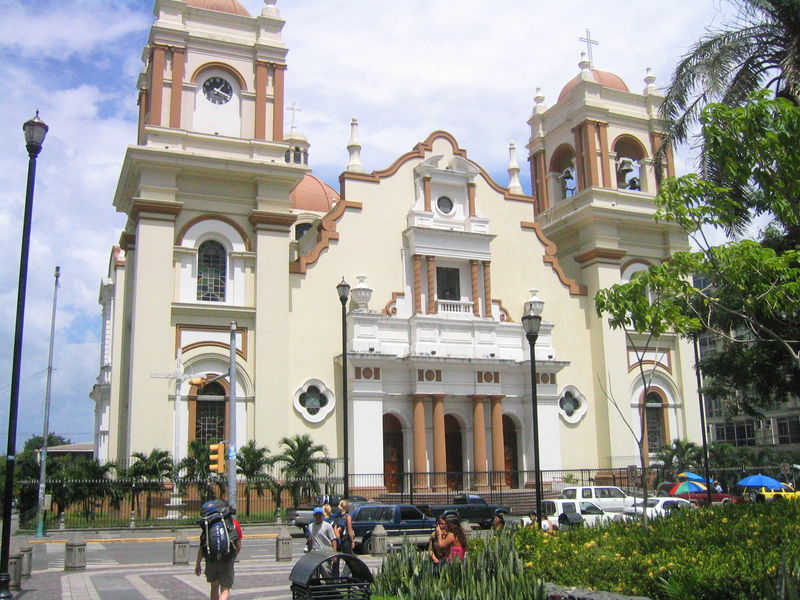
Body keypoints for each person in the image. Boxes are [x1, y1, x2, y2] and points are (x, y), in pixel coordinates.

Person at [195, 502, 241, 600]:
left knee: (214, 587)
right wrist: (232, 557)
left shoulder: (209, 525)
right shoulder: (233, 524)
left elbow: (202, 546)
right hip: (227, 559)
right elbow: (238, 545)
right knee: (225, 590)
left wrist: (198, 564)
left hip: (211, 559)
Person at [307, 507, 338, 577]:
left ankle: (330, 584)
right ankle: (315, 585)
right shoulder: (311, 526)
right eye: (316, 515)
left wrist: (334, 553)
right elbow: (311, 540)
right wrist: (309, 552)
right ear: (314, 516)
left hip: (326, 552)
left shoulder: (327, 526)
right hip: (316, 552)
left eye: (320, 515)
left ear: (322, 515)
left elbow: (333, 540)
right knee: (313, 571)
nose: (318, 516)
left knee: (325, 570)